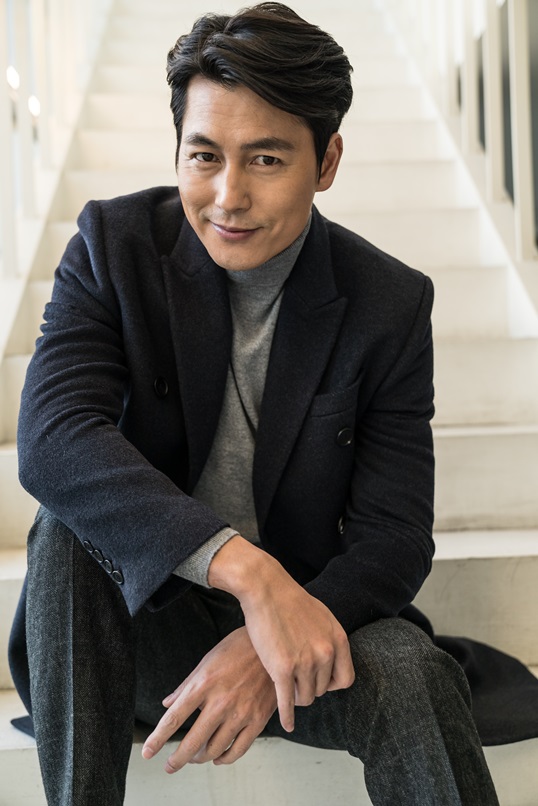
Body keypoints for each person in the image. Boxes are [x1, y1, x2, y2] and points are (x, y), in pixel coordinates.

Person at [7, 3, 508, 804]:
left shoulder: (388, 303)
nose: (228, 196)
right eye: (204, 156)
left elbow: (394, 536)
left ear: (327, 160)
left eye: (266, 159)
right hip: (135, 634)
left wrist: (264, 634)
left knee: (413, 671)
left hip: (305, 639)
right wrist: (248, 574)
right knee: (67, 529)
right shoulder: (113, 246)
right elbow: (54, 441)